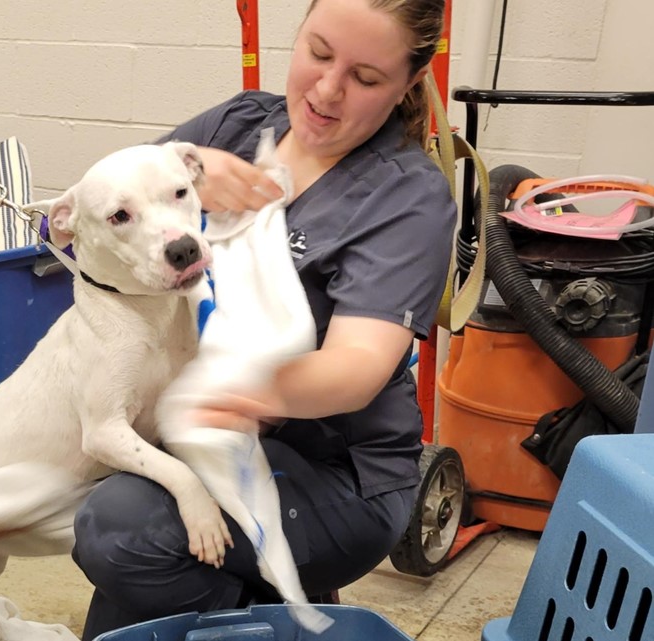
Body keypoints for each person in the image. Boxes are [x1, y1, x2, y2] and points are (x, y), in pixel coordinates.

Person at [71, 0, 455, 638]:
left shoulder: (405, 198)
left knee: (122, 532)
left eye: (365, 79)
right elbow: (103, 214)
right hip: (201, 433)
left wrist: (238, 394)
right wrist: (191, 161)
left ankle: (276, 621)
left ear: (409, 84)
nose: (327, 91)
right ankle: (254, 598)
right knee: (132, 561)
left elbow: (355, 368)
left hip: (337, 469)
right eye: (319, 53)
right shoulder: (239, 123)